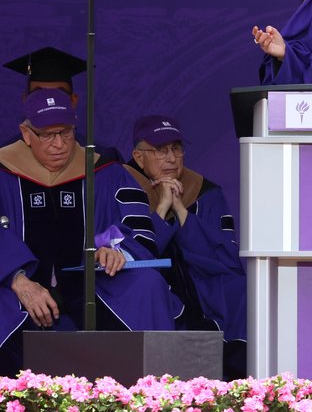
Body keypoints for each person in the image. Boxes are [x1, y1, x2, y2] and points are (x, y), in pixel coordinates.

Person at [0, 90, 180, 377]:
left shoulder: (104, 169)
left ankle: (155, 388)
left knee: (146, 284)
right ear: (26, 133)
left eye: (66, 132)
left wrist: (114, 248)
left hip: (93, 279)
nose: (59, 144)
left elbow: (135, 227)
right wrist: (17, 279)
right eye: (47, 135)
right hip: (18, 283)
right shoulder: (3, 168)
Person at [125, 115, 247, 380]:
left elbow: (224, 257)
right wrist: (160, 208)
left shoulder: (205, 191)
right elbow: (131, 253)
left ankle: (238, 380)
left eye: (176, 148)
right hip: (150, 283)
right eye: (160, 150)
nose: (171, 158)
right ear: (138, 156)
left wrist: (180, 210)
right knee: (148, 287)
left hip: (201, 283)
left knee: (238, 288)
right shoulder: (123, 187)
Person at [2, 46, 122, 161]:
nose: (49, 103)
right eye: (39, 94)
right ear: (25, 100)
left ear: (73, 100)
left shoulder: (101, 160)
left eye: (58, 95)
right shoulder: (5, 160)